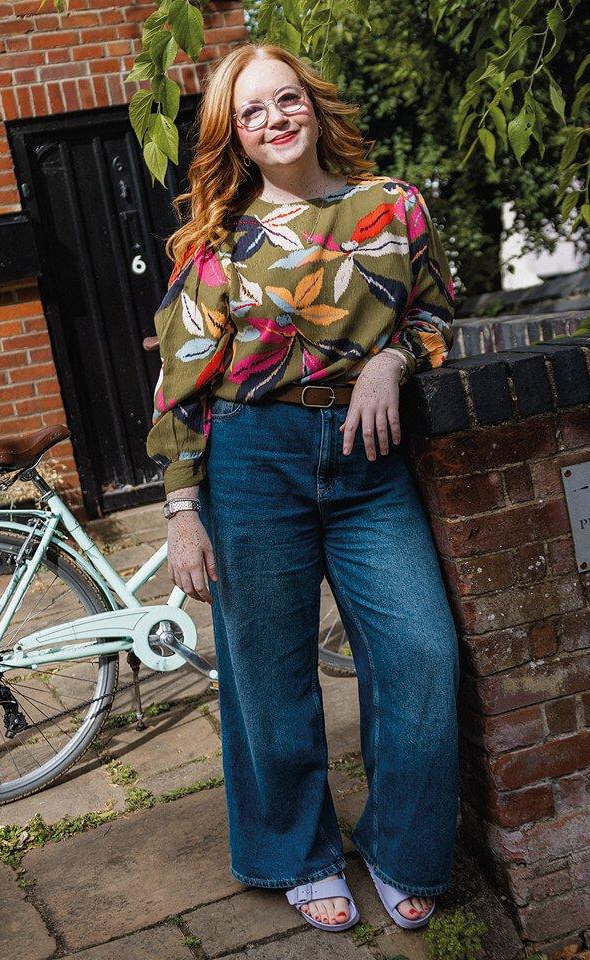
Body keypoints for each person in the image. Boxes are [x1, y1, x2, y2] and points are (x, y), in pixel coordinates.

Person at [145, 41, 459, 934]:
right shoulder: (217, 246)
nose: (275, 120)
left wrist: (390, 359)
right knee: (270, 675)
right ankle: (297, 851)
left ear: (313, 107)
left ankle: (402, 844)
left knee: (422, 653)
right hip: (252, 459)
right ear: (236, 137)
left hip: (368, 457)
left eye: (287, 101)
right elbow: (177, 390)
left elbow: (436, 309)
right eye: (253, 112)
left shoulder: (389, 207)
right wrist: (180, 510)